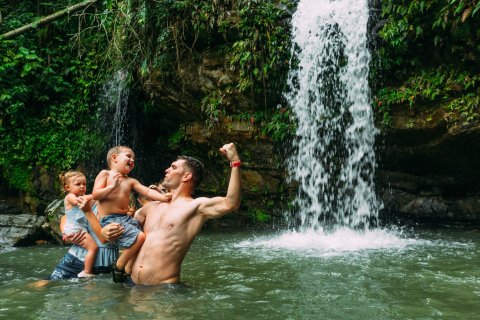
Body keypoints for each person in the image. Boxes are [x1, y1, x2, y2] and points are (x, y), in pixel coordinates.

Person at [102, 142, 241, 285]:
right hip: (132, 285)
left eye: (173, 167)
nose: (167, 170)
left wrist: (235, 162)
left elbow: (231, 203)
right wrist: (104, 232)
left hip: (166, 291)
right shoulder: (150, 207)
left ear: (186, 176)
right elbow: (122, 232)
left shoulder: (196, 207)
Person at [92, 145, 172, 279]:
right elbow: (96, 195)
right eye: (129, 156)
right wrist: (112, 187)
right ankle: (118, 265)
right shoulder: (105, 174)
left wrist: (163, 197)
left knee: (142, 239)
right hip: (110, 219)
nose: (132, 160)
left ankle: (127, 270)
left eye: (134, 159)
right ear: (114, 158)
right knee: (139, 237)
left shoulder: (130, 181)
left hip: (126, 218)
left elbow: (147, 191)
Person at [59, 171, 98, 278]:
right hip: (75, 230)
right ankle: (86, 272)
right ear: (67, 187)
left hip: (76, 230)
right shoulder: (70, 196)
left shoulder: (84, 198)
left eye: (84, 184)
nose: (82, 187)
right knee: (93, 248)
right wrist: (96, 195)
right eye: (78, 184)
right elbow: (78, 202)